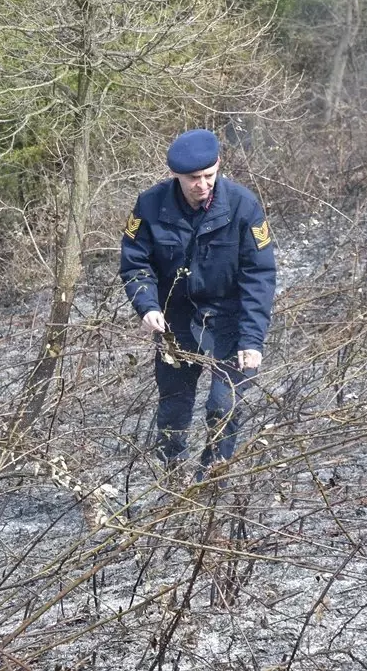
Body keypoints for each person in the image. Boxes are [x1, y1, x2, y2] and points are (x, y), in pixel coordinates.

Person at [119, 128, 276, 481]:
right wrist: (147, 306)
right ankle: (173, 477)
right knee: (173, 408)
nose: (202, 185)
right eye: (193, 178)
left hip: (229, 320)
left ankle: (212, 477)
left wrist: (252, 340)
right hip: (175, 321)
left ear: (218, 167)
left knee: (223, 405)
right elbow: (135, 263)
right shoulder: (150, 205)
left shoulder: (243, 205)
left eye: (209, 175)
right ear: (175, 174)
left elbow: (259, 277)